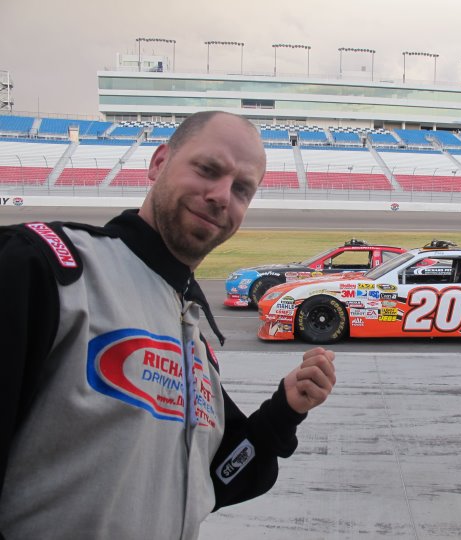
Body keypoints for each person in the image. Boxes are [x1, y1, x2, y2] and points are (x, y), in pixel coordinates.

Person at [0, 111, 336, 539]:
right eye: (208, 170)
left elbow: (214, 479)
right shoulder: (47, 270)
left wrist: (285, 410)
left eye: (242, 189)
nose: (221, 196)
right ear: (159, 163)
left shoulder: (194, 339)